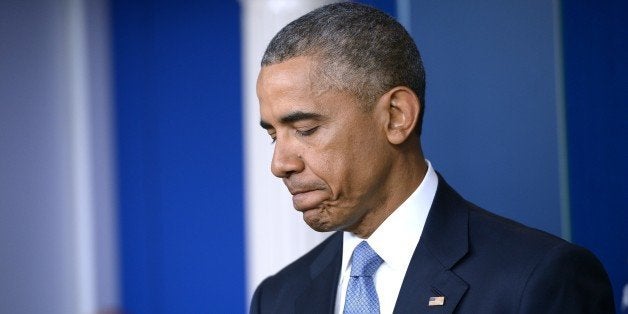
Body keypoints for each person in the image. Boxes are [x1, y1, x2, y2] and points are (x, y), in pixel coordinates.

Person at [250, 3, 614, 313]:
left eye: (306, 129)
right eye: (272, 136)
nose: (280, 164)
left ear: (396, 116)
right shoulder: (277, 298)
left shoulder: (539, 279)